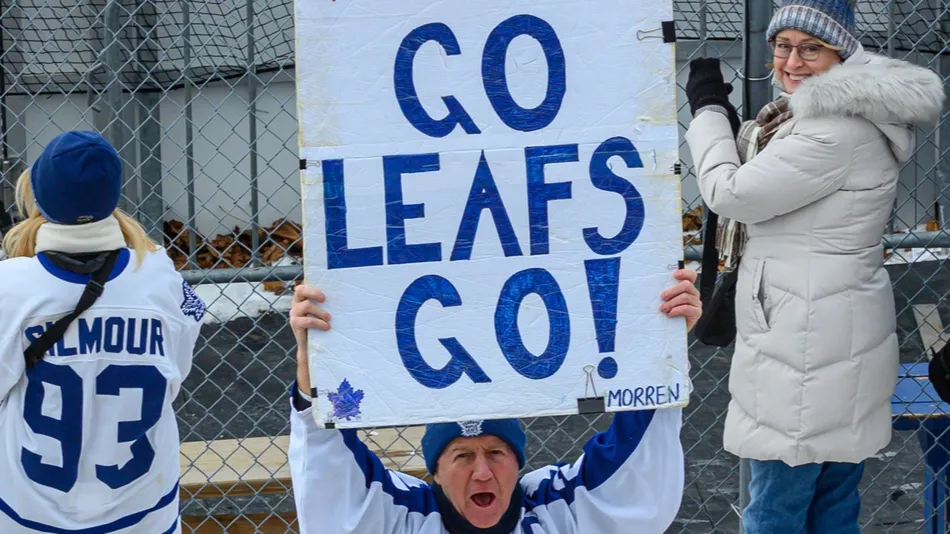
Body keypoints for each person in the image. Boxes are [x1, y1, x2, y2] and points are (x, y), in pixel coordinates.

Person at [683, 0, 946, 532]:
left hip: (804, 343)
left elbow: (730, 192)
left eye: (811, 49)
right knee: (831, 501)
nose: (792, 61)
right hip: (830, 329)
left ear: (842, 54)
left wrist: (709, 111)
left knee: (775, 506)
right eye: (783, 46)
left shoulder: (833, 130)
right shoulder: (836, 117)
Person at [287, 268, 702, 533]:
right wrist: (314, 363)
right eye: (462, 456)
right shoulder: (401, 517)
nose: (483, 472)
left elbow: (636, 452)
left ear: (520, 461)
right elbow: (330, 463)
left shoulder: (558, 512)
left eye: (496, 452)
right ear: (434, 472)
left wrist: (661, 342)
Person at [0, 131, 205, 533]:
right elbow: (174, 376)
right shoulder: (159, 277)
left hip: (30, 518)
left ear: (38, 199)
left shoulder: (10, 287)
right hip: (144, 517)